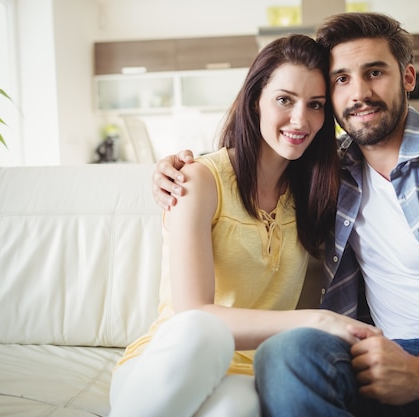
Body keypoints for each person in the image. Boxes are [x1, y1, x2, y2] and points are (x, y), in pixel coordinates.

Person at [152, 12, 419, 417]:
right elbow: (252, 160)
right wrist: (174, 170)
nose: (358, 94)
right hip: (374, 355)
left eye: (374, 72)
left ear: (407, 76)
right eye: (341, 80)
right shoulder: (330, 173)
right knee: (286, 353)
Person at [110, 34, 379, 417]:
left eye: (315, 105)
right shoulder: (200, 180)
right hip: (168, 366)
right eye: (284, 99)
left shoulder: (318, 192)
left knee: (237, 409)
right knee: (205, 330)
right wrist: (318, 321)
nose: (300, 120)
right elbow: (193, 315)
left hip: (243, 373)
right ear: (255, 100)